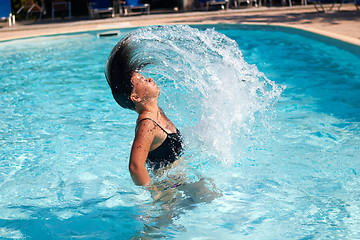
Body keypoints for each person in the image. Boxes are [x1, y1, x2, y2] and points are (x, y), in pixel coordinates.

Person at [105, 34, 184, 188]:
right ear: (135, 97)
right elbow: (135, 166)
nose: (148, 79)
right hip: (167, 190)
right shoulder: (147, 124)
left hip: (179, 183)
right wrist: (155, 192)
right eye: (141, 81)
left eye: (144, 77)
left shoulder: (157, 112)